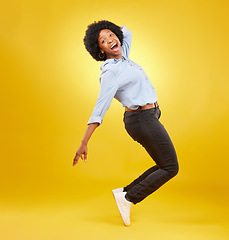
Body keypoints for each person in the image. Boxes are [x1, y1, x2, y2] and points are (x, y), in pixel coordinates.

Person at [73, 20, 179, 226]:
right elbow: (100, 107)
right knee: (171, 167)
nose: (110, 40)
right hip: (141, 120)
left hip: (151, 116)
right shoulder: (111, 72)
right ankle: (129, 197)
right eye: (103, 40)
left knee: (163, 164)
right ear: (100, 50)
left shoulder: (124, 58)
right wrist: (85, 141)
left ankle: (124, 192)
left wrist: (112, 28)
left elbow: (126, 33)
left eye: (111, 35)